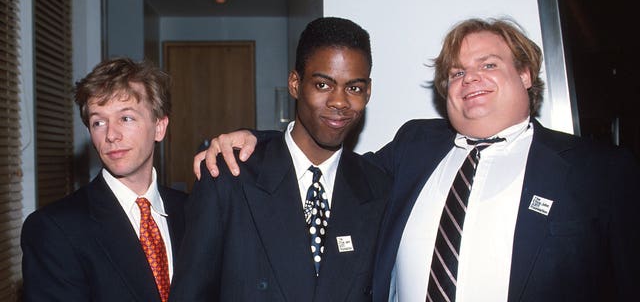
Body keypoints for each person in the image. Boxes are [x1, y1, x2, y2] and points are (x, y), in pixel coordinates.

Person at [195, 17, 639, 301]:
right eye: (457, 72)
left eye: (488, 65)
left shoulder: (597, 171)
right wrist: (255, 141)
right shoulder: (416, 147)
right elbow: (323, 163)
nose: (471, 80)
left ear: (525, 73)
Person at [169, 17, 390, 302]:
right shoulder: (229, 178)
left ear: (368, 92)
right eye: (323, 85)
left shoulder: (378, 188)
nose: (339, 102)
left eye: (354, 88)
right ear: (295, 84)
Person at [21, 57, 186, 302]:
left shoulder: (194, 211)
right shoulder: (54, 229)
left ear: (159, 127)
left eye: (126, 118)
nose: (111, 135)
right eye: (99, 122)